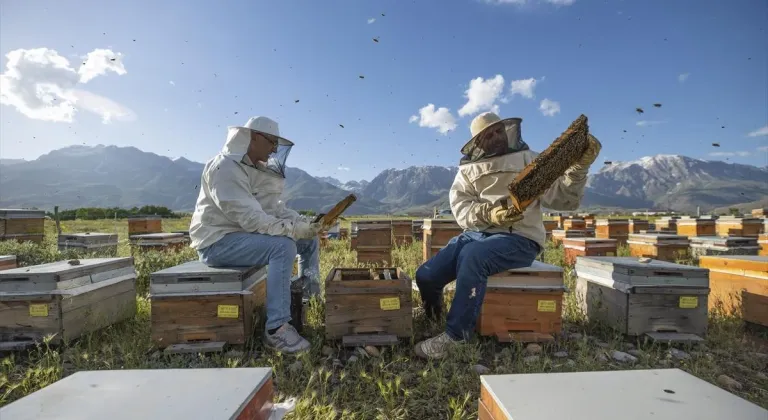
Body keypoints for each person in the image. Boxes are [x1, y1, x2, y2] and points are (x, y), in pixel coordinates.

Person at [413, 112, 601, 359]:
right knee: (426, 275)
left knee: (473, 257)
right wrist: (490, 214)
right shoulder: (468, 171)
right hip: (477, 233)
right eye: (488, 135)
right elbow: (461, 209)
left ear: (507, 130)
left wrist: (578, 169)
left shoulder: (530, 160)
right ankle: (433, 314)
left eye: (498, 130)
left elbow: (563, 200)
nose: (496, 137)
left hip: (519, 238)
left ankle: (456, 337)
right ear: (478, 143)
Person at [189, 116, 322, 354]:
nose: (274, 149)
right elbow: (251, 219)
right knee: (283, 247)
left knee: (308, 240)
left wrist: (304, 223)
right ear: (254, 137)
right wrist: (292, 230)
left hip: (243, 237)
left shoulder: (253, 168)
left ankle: (308, 300)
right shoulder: (225, 168)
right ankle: (277, 329)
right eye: (271, 142)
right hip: (218, 242)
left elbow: (274, 209)